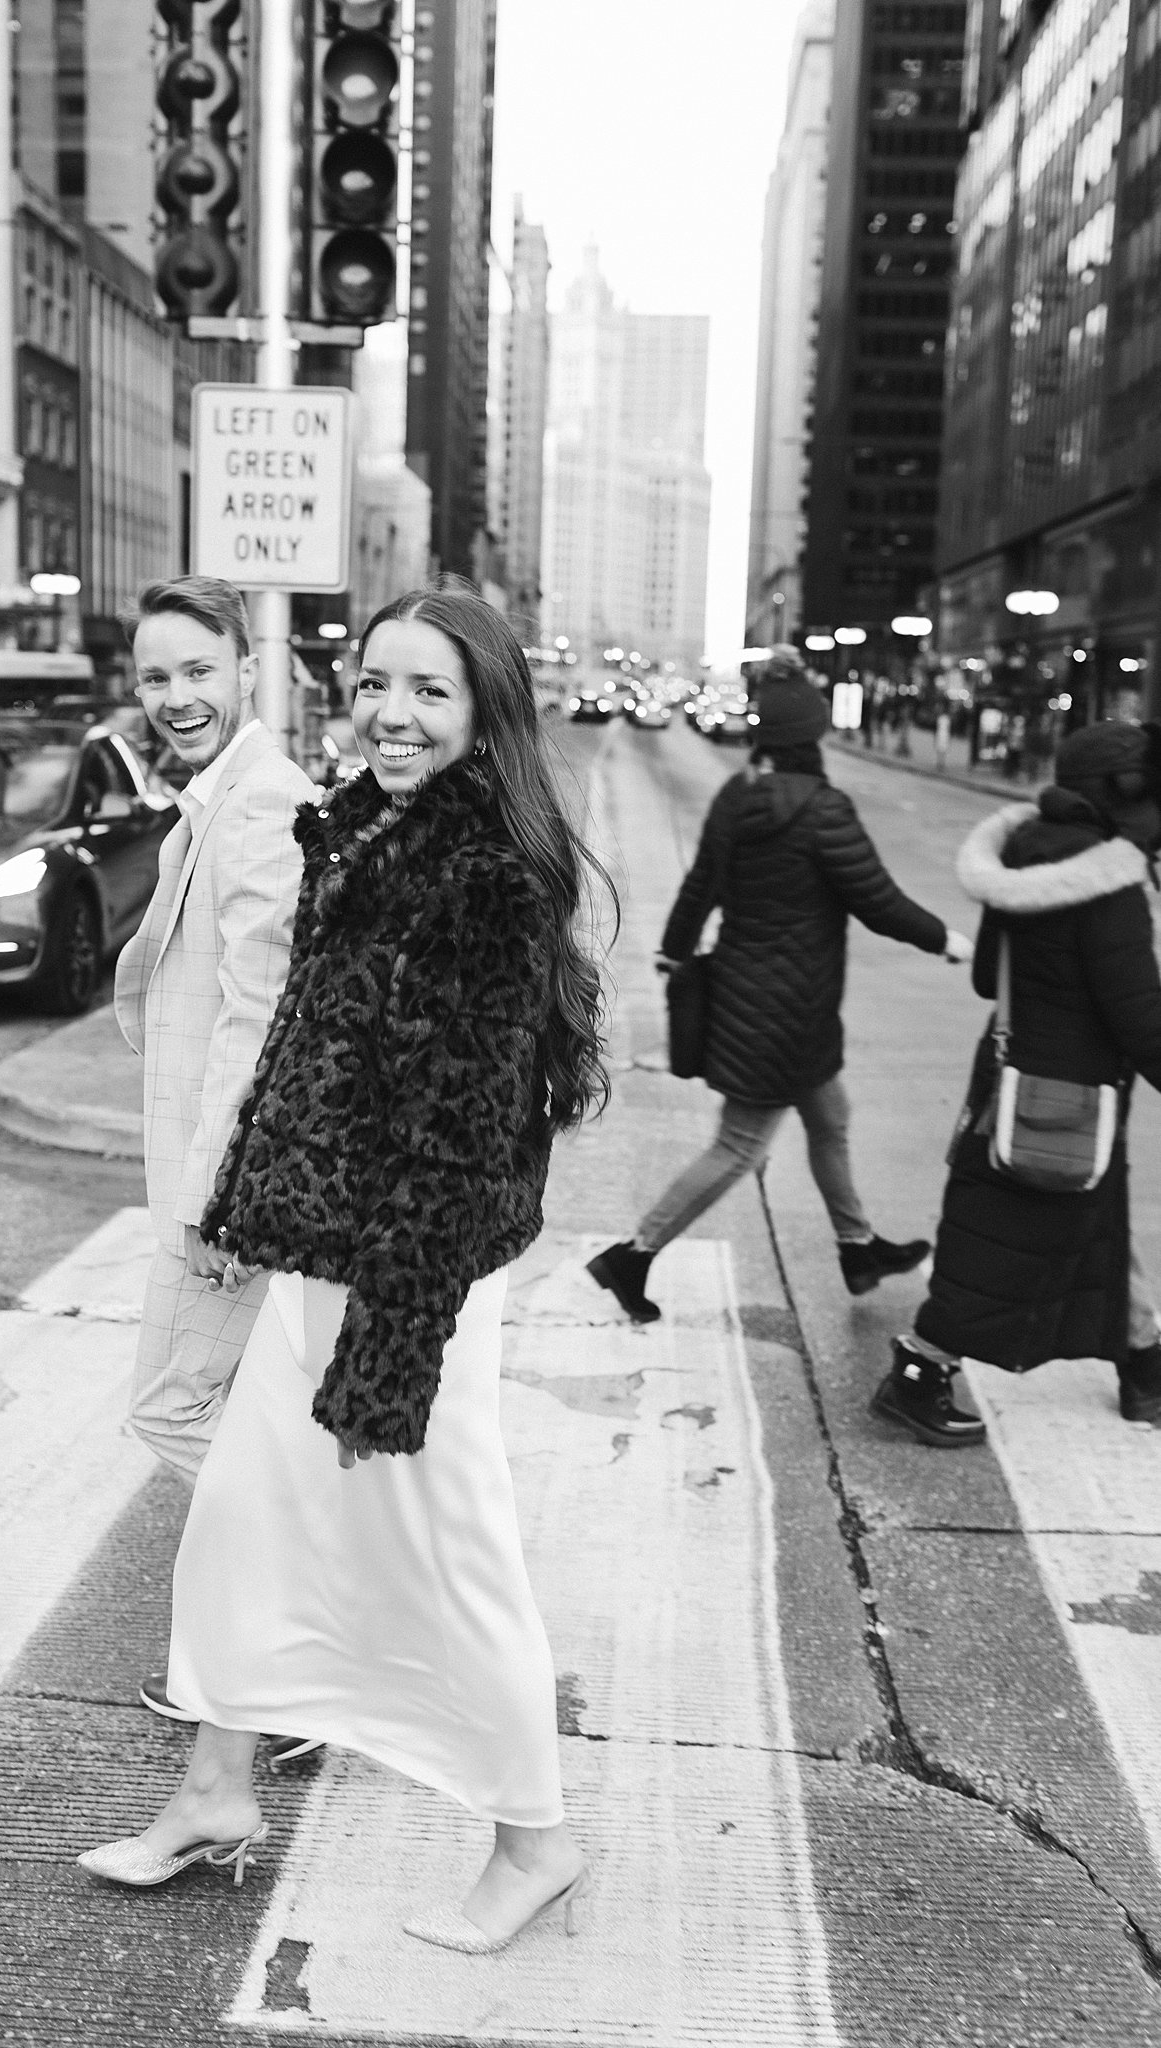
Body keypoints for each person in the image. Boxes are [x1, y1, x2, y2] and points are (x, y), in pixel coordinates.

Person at [81, 588, 610, 1956]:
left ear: (485, 712)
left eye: (430, 692)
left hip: (407, 1284)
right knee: (245, 1523)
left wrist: (392, 1346)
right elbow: (306, 1063)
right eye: (376, 683)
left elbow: (462, 1133)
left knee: (451, 1550)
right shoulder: (362, 834)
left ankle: (535, 1840)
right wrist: (256, 1203)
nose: (391, 712)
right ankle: (212, 1790)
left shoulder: (482, 876)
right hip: (329, 1261)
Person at [587, 647, 973, 1323]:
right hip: (786, 1014)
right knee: (739, 1145)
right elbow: (876, 900)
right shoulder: (825, 810)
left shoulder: (739, 797)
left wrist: (675, 954)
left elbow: (700, 885)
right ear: (812, 738)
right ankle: (632, 1255)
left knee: (830, 1117)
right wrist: (945, 939)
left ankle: (857, 1248)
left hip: (756, 998)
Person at [113, 575, 318, 1749]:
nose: (177, 694)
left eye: (198, 669)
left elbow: (260, 1014)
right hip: (219, 1176)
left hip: (228, 1188)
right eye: (156, 674)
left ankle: (306, 1652)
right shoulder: (223, 793)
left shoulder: (257, 807)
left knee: (170, 1405)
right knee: (237, 1416)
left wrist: (213, 1199)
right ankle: (262, 1664)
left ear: (248, 670)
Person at [874, 720, 1161, 1445]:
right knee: (1003, 1247)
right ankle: (918, 1369)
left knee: (1084, 1224)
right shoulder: (1110, 886)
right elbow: (1139, 1016)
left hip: (1007, 1076)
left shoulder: (1021, 861)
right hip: (1068, 1095)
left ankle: (1145, 1362)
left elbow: (984, 977)